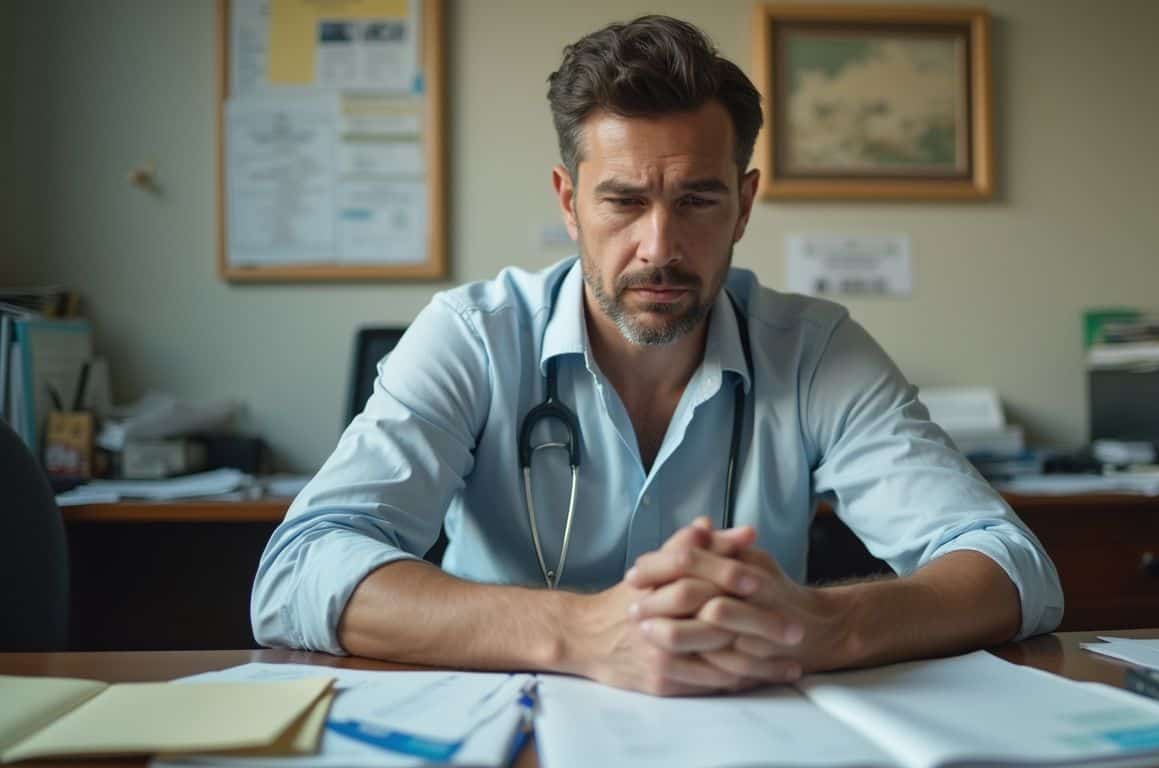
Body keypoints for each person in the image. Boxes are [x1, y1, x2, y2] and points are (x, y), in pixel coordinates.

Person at [252, 15, 1063, 697]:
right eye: (624, 201)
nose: (660, 247)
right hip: (508, 728)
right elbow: (298, 571)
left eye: (697, 201)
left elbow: (1010, 565)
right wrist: (580, 632)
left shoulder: (815, 350)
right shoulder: (471, 335)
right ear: (570, 203)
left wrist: (820, 625)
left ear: (744, 205)